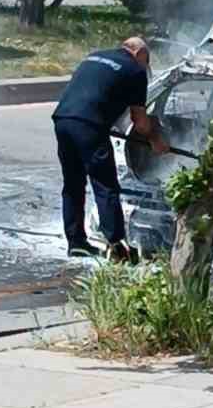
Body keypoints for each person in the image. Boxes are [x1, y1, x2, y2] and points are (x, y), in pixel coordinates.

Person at [52, 36, 167, 260]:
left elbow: (97, 91)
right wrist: (155, 139)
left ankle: (76, 242)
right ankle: (117, 247)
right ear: (140, 54)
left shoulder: (95, 56)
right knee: (105, 184)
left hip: (63, 120)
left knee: (73, 183)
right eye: (147, 61)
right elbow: (140, 121)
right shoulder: (135, 70)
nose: (147, 67)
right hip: (90, 126)